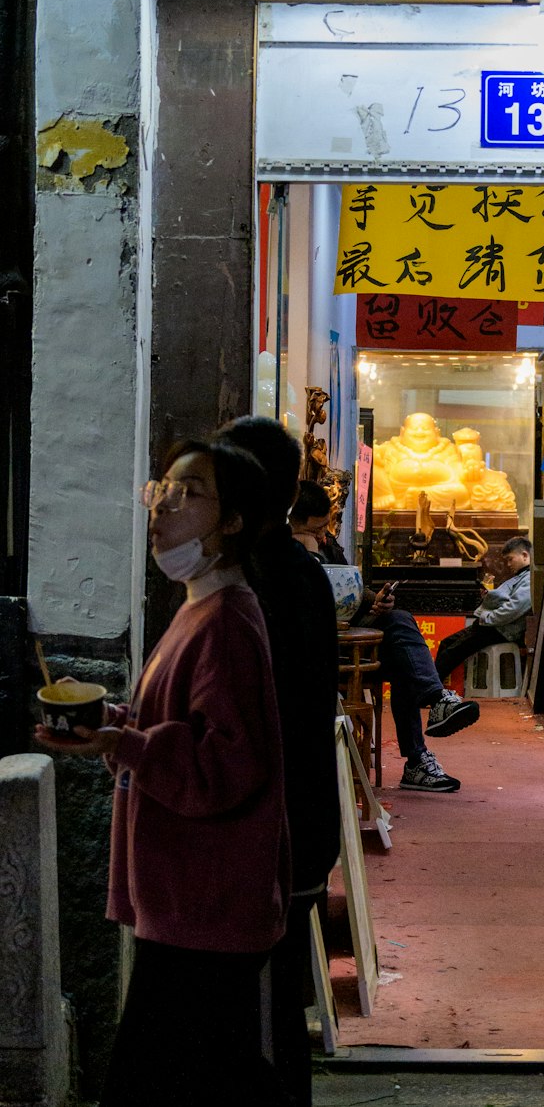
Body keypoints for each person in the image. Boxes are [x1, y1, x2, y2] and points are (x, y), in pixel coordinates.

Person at [36, 438, 291, 1107]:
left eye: (190, 494)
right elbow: (178, 720)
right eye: (164, 490)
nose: (164, 509)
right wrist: (110, 720)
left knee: (155, 1081)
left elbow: (227, 766)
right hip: (190, 903)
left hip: (204, 904)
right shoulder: (199, 606)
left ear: (232, 521)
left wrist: (126, 742)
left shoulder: (226, 622)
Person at [219, 417, 340, 1107]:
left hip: (272, 829)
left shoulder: (266, 583)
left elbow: (262, 723)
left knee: (264, 1016)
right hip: (284, 824)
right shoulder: (287, 575)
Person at [352, 580, 481, 792]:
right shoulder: (302, 551)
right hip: (328, 642)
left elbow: (350, 589)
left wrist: (375, 600)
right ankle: (435, 705)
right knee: (400, 633)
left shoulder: (330, 548)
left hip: (357, 636)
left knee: (401, 631)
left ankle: (417, 760)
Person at [434, 536, 533, 685]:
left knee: (451, 652)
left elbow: (513, 609)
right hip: (490, 625)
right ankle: (432, 688)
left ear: (525, 555)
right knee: (446, 644)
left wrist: (487, 617)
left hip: (501, 630)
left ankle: (429, 692)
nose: (508, 564)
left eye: (510, 559)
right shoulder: (520, 576)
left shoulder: (529, 579)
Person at [289, 476, 347, 564]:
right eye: (314, 531)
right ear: (291, 524)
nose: (321, 535)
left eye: (324, 526)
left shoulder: (330, 548)